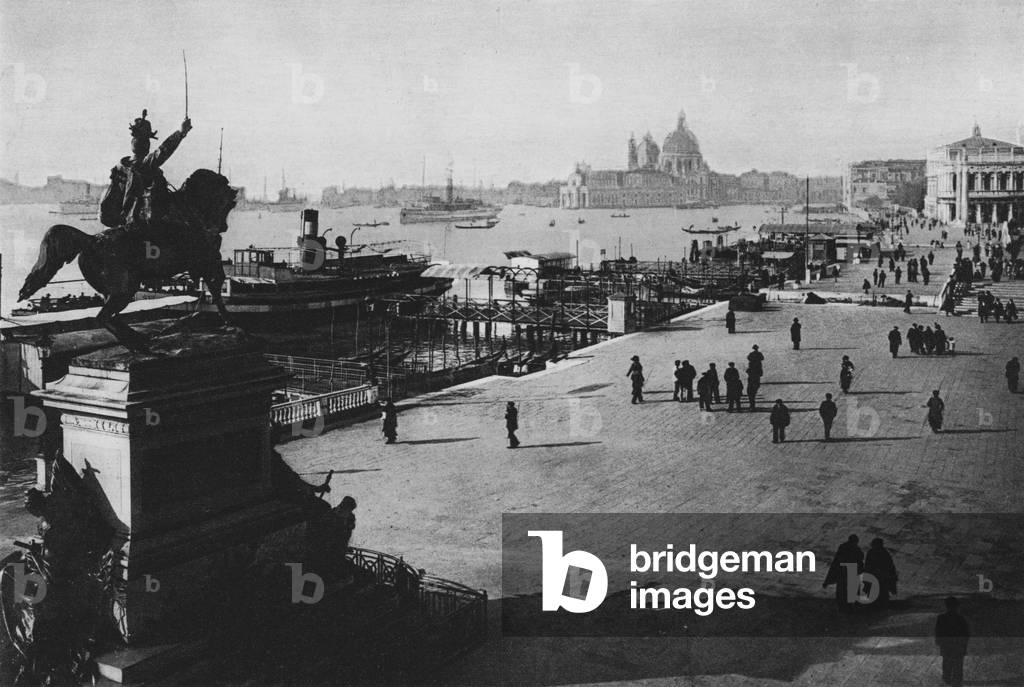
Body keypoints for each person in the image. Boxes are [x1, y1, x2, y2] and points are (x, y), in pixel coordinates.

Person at [100, 109, 193, 229]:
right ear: (146, 144)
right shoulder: (143, 166)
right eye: (146, 140)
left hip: (118, 224)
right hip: (138, 227)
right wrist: (181, 133)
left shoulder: (120, 167)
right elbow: (163, 151)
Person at [822, 534, 863, 612]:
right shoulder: (857, 550)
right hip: (852, 573)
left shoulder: (843, 548)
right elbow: (860, 564)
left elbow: (836, 563)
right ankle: (849, 608)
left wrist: (828, 581)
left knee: (842, 593)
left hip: (843, 573)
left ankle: (844, 608)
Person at [934, 597, 969, 687]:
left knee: (947, 664)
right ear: (957, 607)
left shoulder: (941, 618)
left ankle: (948, 680)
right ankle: (954, 681)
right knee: (957, 666)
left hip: (947, 646)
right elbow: (965, 634)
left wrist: (939, 641)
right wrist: (964, 646)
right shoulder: (961, 619)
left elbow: (938, 631)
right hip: (957, 646)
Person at [862, 538, 897, 608]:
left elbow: (867, 566)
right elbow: (890, 566)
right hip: (882, 578)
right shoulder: (885, 553)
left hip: (875, 578)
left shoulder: (871, 552)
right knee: (882, 594)